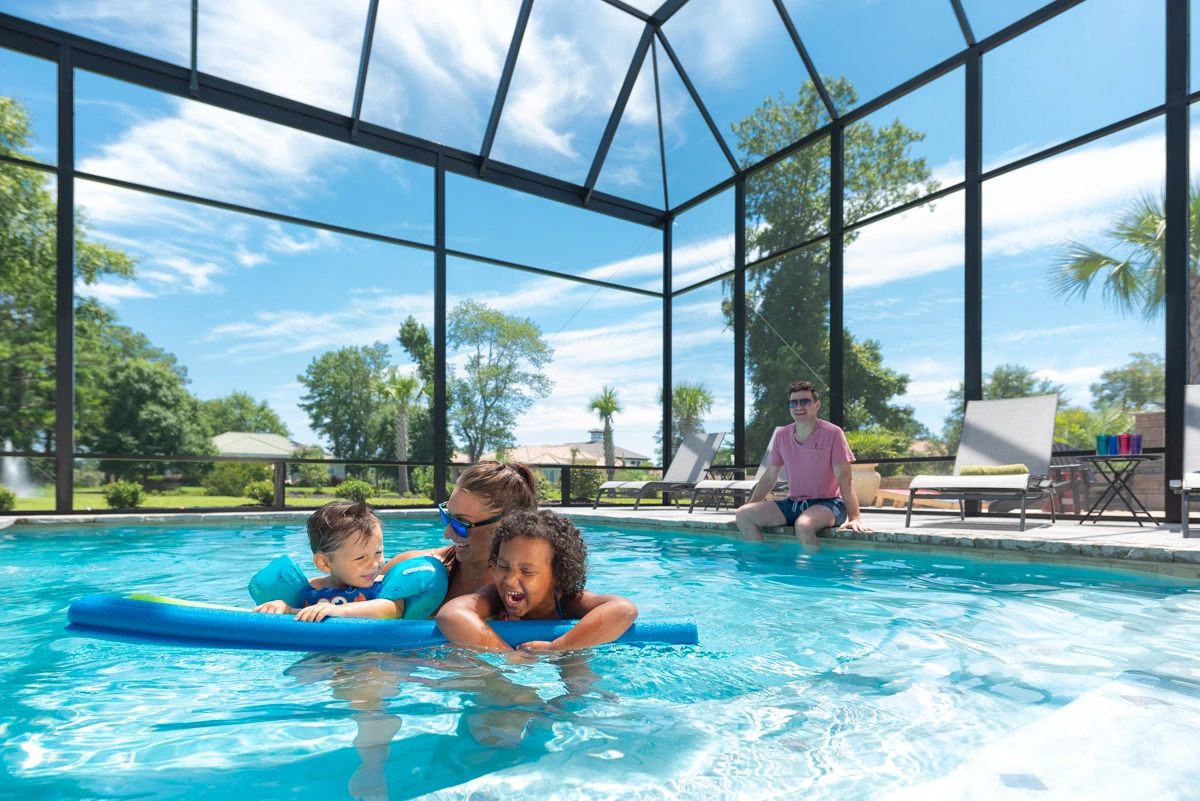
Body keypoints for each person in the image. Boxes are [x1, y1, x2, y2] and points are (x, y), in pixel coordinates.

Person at [436, 509, 638, 651]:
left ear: (557, 575)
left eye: (527, 571)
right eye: (503, 566)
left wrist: (558, 647)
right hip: (509, 659)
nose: (510, 580)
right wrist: (506, 654)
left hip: (563, 653)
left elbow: (623, 609)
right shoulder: (493, 598)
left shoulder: (569, 602)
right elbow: (450, 615)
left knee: (576, 668)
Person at [383, 460, 539, 613]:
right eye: (447, 517)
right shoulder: (409, 568)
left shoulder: (533, 590)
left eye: (461, 523)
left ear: (507, 525)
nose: (447, 533)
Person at [735, 380, 872, 548]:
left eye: (805, 401)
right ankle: (760, 562)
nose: (798, 406)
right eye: (793, 403)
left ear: (817, 405)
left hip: (828, 504)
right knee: (743, 515)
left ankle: (811, 572)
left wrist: (855, 518)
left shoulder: (833, 434)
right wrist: (751, 506)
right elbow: (770, 476)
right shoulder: (782, 436)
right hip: (792, 503)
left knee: (804, 525)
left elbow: (846, 480)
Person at [253, 500, 411, 622]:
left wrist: (339, 611)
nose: (374, 564)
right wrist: (284, 608)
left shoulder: (387, 585)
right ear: (325, 563)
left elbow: (393, 609)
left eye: (378, 552)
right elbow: (297, 614)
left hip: (374, 656)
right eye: (360, 558)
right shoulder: (308, 589)